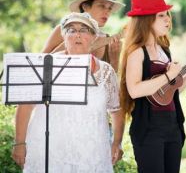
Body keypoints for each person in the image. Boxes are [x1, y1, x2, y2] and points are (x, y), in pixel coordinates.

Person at [11, 12, 125, 172]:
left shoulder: (106, 71)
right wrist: (20, 142)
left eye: (84, 30)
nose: (77, 34)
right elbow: (26, 106)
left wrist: (117, 142)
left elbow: (116, 109)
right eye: (71, 30)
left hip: (91, 150)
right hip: (49, 149)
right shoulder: (45, 66)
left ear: (94, 37)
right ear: (64, 37)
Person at [119, 0, 186, 173]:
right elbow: (134, 90)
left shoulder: (164, 50)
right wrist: (168, 76)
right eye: (161, 15)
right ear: (146, 20)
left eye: (167, 14)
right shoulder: (136, 52)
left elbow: (172, 91)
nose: (168, 19)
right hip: (149, 129)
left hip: (172, 125)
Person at [42, 0, 125, 72]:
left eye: (110, 8)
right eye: (101, 6)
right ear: (85, 7)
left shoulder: (112, 43)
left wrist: (115, 61)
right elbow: (38, 63)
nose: (107, 12)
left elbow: (112, 83)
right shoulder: (62, 30)